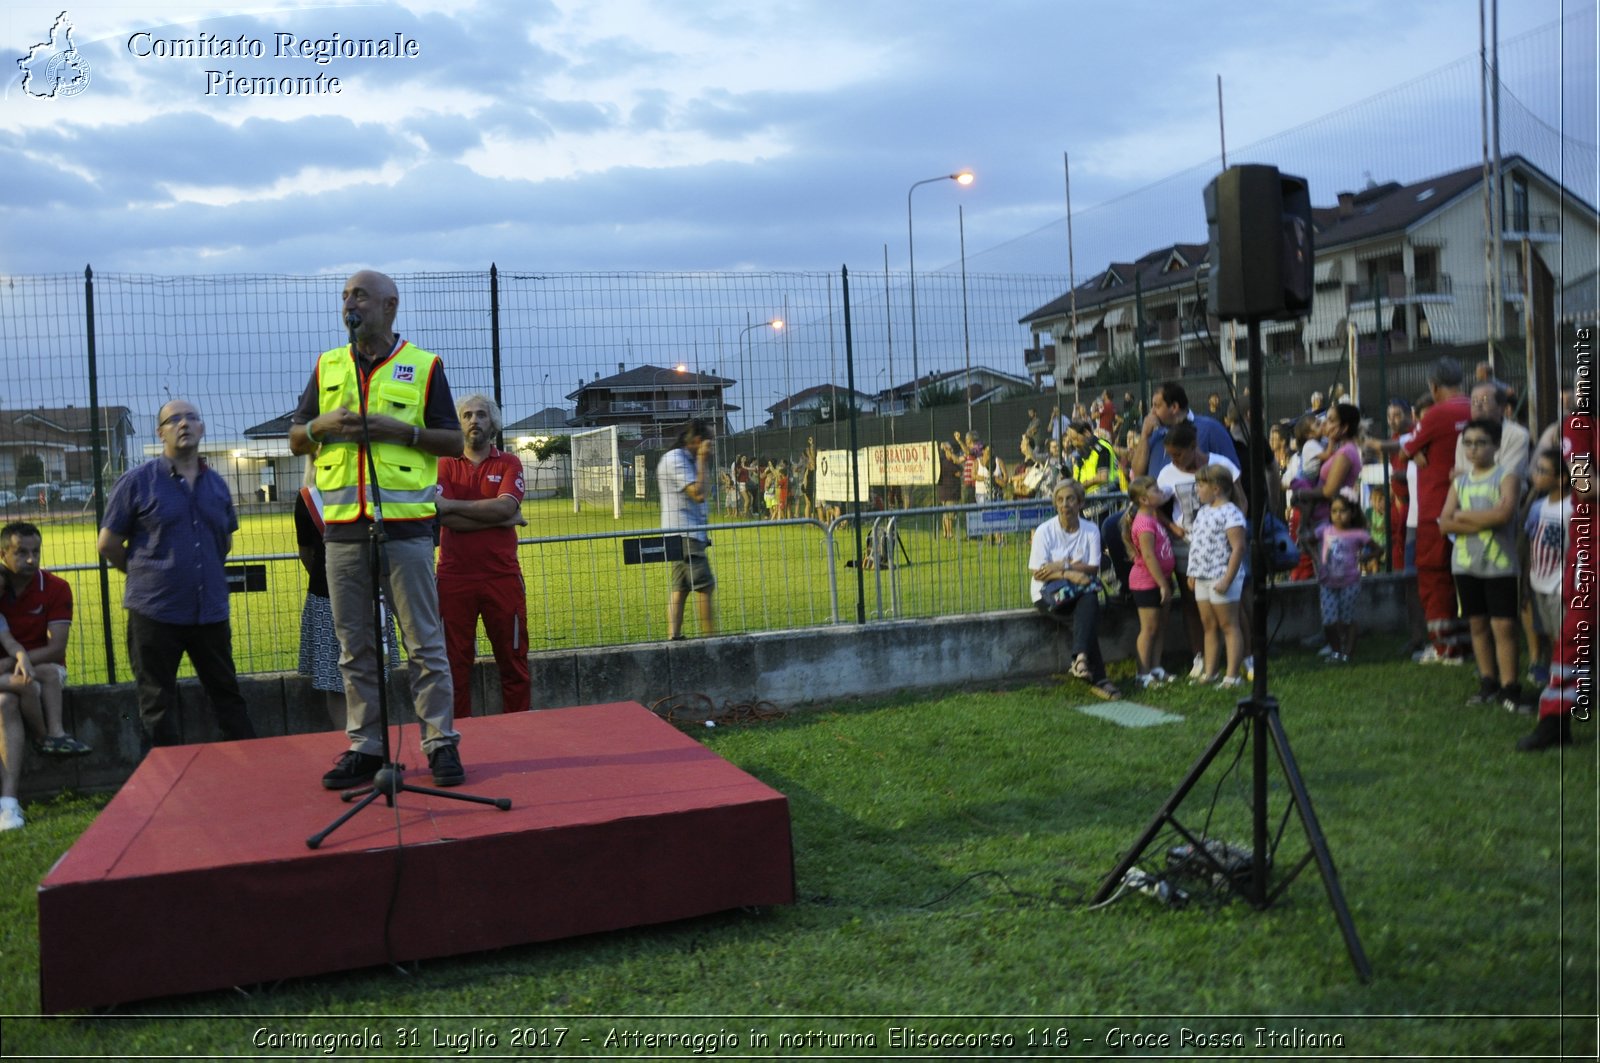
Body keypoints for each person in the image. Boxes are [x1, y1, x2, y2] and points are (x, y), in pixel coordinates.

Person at [288, 269, 465, 790]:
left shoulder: (424, 365)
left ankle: (439, 744)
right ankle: (365, 747)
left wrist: (403, 432)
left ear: (390, 305)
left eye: (360, 295)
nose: (350, 303)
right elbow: (297, 437)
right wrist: (320, 426)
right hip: (342, 532)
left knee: (423, 643)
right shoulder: (327, 366)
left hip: (407, 530)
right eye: (345, 296)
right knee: (354, 646)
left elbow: (452, 443)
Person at [97, 399, 256, 749]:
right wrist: (145, 575)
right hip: (155, 613)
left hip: (210, 613)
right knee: (157, 705)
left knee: (228, 697)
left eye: (191, 418)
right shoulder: (136, 483)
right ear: (160, 432)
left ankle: (253, 777)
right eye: (173, 420)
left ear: (202, 428)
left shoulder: (217, 485)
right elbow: (107, 544)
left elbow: (224, 541)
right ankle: (165, 788)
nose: (183, 424)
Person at [435, 394, 530, 717]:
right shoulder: (443, 464)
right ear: (459, 424)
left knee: (513, 660)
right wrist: (501, 518)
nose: (474, 420)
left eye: (481, 415)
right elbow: (443, 519)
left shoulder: (509, 463)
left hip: (501, 577)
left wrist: (453, 507)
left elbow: (505, 505)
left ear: (494, 424)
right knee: (454, 665)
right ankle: (460, 737)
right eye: (466, 415)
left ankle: (520, 731)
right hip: (453, 579)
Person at [1439, 418, 1524, 711]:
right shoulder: (1459, 482)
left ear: (1496, 446)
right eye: (1469, 443)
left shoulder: (1507, 477)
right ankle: (1488, 681)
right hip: (1465, 564)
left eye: (1481, 443)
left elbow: (1504, 515)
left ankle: (1509, 686)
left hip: (1499, 564)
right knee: (1477, 624)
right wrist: (1480, 518)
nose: (1474, 449)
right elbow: (1444, 522)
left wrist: (1463, 517)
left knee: (1503, 625)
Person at [1155, 419, 1242, 678]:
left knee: (1232, 614)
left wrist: (1233, 534)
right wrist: (1172, 527)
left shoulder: (1220, 466)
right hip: (1191, 552)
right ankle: (1203, 661)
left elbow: (1241, 501)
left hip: (1224, 554)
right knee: (1197, 610)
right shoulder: (1168, 475)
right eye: (1170, 455)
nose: (1175, 460)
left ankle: (1239, 663)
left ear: (1194, 446)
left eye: (1178, 454)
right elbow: (1157, 507)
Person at [1402, 357, 1473, 664]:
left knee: (1434, 576)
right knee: (1470, 578)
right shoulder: (1476, 408)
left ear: (1432, 386)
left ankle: (1445, 646)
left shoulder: (1435, 415)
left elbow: (1407, 448)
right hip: (1473, 506)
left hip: (1435, 509)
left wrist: (1416, 451)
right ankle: (1471, 641)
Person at [0, 522, 91, 756]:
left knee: (48, 673)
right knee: (6, 702)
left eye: (36, 552)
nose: (31, 560)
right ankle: (47, 739)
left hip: (41, 666)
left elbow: (57, 649)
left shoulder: (56, 588)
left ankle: (55, 734)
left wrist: (12, 662)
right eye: (22, 552)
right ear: (3, 554)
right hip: (6, 673)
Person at [1029, 480, 1118, 700]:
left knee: (1086, 604)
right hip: (1047, 594)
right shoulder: (1044, 531)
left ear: (1080, 503)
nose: (1065, 504)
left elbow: (1093, 567)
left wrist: (1062, 565)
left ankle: (1081, 662)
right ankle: (1096, 675)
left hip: (1079, 591)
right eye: (1059, 500)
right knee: (1086, 617)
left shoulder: (1090, 530)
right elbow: (1038, 572)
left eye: (1070, 499)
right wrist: (1071, 574)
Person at [1186, 464, 1248, 687]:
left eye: (1201, 485)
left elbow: (1238, 548)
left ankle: (1232, 675)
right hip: (1202, 576)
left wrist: (1227, 579)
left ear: (1217, 488)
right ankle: (1210, 672)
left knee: (1229, 625)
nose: (1197, 490)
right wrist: (1192, 572)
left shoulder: (1231, 513)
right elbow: (1197, 544)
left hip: (1222, 576)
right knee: (1208, 624)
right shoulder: (1203, 512)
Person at [658, 418, 716, 640]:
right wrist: (702, 459)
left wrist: (701, 460)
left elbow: (704, 491)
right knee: (705, 587)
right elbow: (699, 494)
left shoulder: (686, 460)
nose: (712, 447)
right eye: (710, 441)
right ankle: (711, 642)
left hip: (684, 535)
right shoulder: (676, 460)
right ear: (699, 441)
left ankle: (674, 638)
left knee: (680, 589)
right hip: (685, 535)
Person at [1120, 476, 1177, 689]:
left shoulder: (1153, 518)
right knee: (1149, 629)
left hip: (1162, 580)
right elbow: (1149, 556)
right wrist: (1162, 584)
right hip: (1147, 583)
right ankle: (1142, 674)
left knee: (1160, 627)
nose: (1160, 492)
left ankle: (1156, 667)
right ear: (1144, 499)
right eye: (1155, 490)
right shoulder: (1143, 524)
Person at [1521, 448, 1569, 694]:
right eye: (1535, 470)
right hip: (1539, 582)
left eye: (1542, 471)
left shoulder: (1572, 508)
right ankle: (1556, 679)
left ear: (1561, 478)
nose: (1535, 476)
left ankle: (1574, 684)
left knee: (1566, 637)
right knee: (1551, 635)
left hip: (1561, 586)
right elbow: (1531, 543)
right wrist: (1527, 581)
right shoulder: (1537, 506)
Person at [1130, 381, 1240, 480]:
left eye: (1156, 406)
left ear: (1174, 407)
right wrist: (1144, 436)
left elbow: (1233, 471)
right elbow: (1137, 473)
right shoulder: (1155, 433)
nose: (1152, 412)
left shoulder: (1210, 429)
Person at [1315, 495, 1376, 662]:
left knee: (1347, 619)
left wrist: (1363, 559)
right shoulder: (1325, 530)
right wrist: (1317, 558)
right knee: (1329, 621)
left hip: (1350, 582)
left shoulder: (1358, 534)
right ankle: (1336, 651)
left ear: (1352, 512)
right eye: (1334, 511)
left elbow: (1377, 549)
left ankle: (1347, 653)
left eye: (1342, 511)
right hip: (1327, 582)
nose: (1338, 515)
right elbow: (1308, 540)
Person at [1454, 378, 1530, 481]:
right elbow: (1458, 479)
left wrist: (1469, 477)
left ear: (1501, 407)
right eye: (1474, 401)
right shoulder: (1462, 437)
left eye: (1484, 401)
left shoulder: (1518, 435)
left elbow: (1507, 478)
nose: (1478, 406)